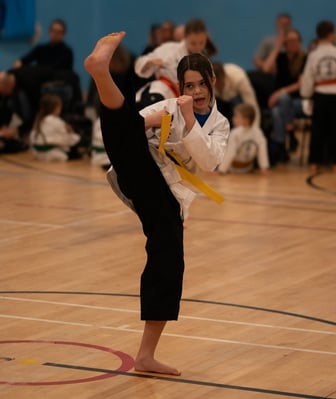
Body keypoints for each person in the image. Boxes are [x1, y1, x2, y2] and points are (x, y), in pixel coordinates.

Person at [84, 31, 229, 375]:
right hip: (140, 173)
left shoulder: (220, 124)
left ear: (212, 81)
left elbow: (210, 161)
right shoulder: (168, 104)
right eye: (187, 86)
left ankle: (145, 356)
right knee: (126, 129)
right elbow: (134, 123)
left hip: (167, 199)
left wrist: (189, 119)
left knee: (168, 265)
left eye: (199, 85)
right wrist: (155, 119)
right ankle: (101, 73)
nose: (193, 92)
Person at [300, 20, 336, 172]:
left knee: (317, 129)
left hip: (319, 95)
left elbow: (308, 77)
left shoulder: (314, 54)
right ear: (332, 34)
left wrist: (306, 96)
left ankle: (314, 162)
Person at [134, 18, 217, 109]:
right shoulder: (170, 50)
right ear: (185, 38)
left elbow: (209, 92)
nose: (197, 47)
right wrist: (150, 62)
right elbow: (140, 64)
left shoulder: (205, 63)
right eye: (193, 43)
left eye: (201, 43)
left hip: (183, 104)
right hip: (161, 92)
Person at [263, 29, 307, 161]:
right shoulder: (281, 57)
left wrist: (278, 93)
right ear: (285, 43)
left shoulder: (305, 58)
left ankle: (281, 146)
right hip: (282, 102)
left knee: (278, 108)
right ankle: (290, 135)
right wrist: (277, 47)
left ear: (299, 42)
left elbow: (300, 84)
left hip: (298, 101)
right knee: (278, 109)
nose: (292, 43)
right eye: (289, 41)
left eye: (295, 40)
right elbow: (266, 68)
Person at [218, 103, 269, 174]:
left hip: (232, 169)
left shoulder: (235, 133)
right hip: (247, 169)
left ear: (246, 120)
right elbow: (262, 150)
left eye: (236, 116)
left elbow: (230, 153)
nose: (233, 118)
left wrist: (221, 170)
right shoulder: (258, 132)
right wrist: (264, 168)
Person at [30, 94, 81, 161]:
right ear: (57, 107)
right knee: (76, 146)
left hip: (37, 153)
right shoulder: (56, 121)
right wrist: (72, 133)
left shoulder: (38, 120)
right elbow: (70, 140)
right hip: (52, 155)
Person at [212, 61, 261, 127]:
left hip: (236, 103)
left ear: (224, 77)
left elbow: (251, 104)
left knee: (235, 101)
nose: (218, 87)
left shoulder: (239, 78)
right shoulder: (207, 83)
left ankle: (239, 130)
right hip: (220, 104)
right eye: (215, 85)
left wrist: (254, 129)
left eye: (220, 84)